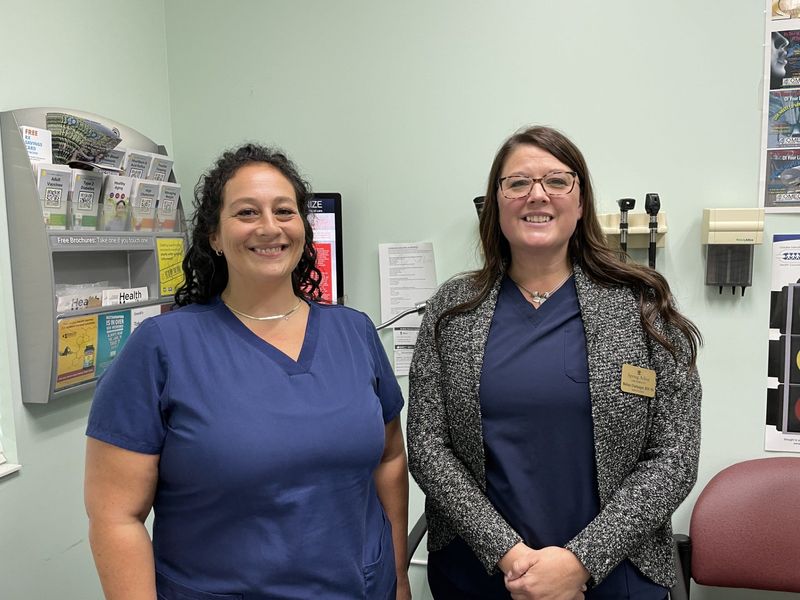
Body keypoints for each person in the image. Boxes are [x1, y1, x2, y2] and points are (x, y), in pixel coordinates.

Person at [85, 143, 411, 600]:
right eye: (246, 213)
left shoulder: (354, 332)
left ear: (303, 227)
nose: (269, 227)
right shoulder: (162, 348)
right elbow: (115, 516)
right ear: (214, 235)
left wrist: (397, 580)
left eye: (284, 211)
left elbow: (390, 458)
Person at [407, 126, 702, 600]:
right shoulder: (453, 309)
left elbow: (674, 456)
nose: (537, 195)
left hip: (616, 573)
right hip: (482, 574)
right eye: (518, 182)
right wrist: (509, 553)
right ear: (495, 202)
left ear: (580, 201)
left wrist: (580, 561)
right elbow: (427, 444)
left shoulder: (641, 304)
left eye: (557, 181)